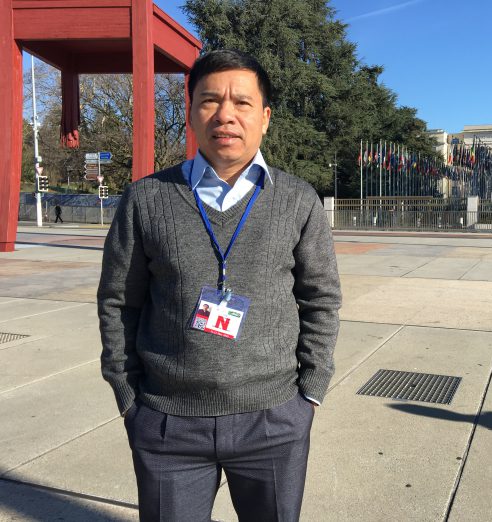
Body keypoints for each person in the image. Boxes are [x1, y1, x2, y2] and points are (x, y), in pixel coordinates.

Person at [98, 49, 341, 522]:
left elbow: (321, 298)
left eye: (242, 102)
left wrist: (310, 391)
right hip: (168, 423)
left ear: (264, 117)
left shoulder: (298, 200)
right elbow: (118, 301)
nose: (225, 114)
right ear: (190, 112)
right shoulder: (146, 199)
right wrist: (128, 394)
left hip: (273, 418)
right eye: (210, 100)